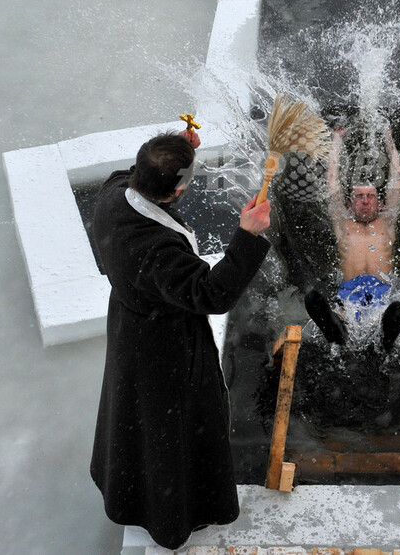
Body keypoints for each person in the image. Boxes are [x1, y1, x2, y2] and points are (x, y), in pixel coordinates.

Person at [90, 129, 271, 550]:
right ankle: (171, 518)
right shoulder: (157, 251)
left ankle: (131, 493)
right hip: (163, 347)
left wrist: (174, 151)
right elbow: (212, 294)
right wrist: (247, 235)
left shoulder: (113, 195)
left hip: (130, 327)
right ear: (177, 191)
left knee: (136, 418)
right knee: (168, 430)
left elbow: (137, 171)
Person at [304, 125, 400, 351]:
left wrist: (389, 141)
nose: (365, 201)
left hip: (381, 293)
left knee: (395, 310)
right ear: (349, 203)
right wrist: (337, 141)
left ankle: (385, 338)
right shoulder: (343, 224)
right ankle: (336, 330)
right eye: (359, 196)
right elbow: (332, 180)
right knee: (323, 305)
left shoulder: (386, 223)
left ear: (380, 203)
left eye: (370, 196)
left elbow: (397, 177)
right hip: (349, 294)